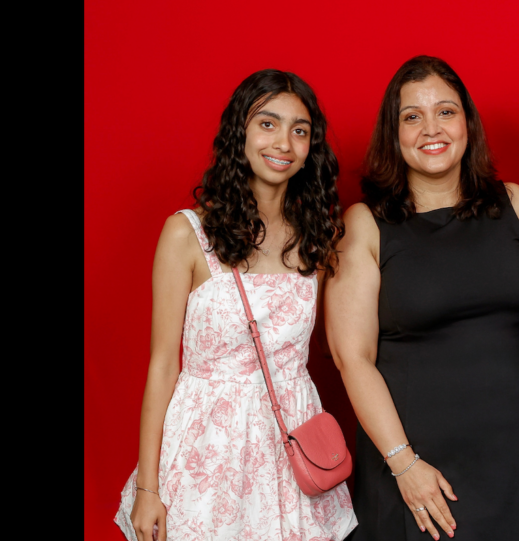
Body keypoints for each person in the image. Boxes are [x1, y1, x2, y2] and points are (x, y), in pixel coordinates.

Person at [115, 69, 357, 541]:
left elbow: (343, 346)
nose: (284, 142)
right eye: (267, 123)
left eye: (300, 130)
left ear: (312, 147)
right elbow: (163, 365)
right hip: (206, 449)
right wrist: (148, 487)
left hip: (293, 449)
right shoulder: (187, 233)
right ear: (239, 133)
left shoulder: (319, 240)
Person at [326, 56, 519, 541]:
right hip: (421, 466)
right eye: (412, 116)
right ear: (394, 133)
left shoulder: (514, 203)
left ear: (468, 123)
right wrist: (403, 464)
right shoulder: (366, 226)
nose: (431, 128)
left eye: (446, 111)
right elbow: (354, 359)